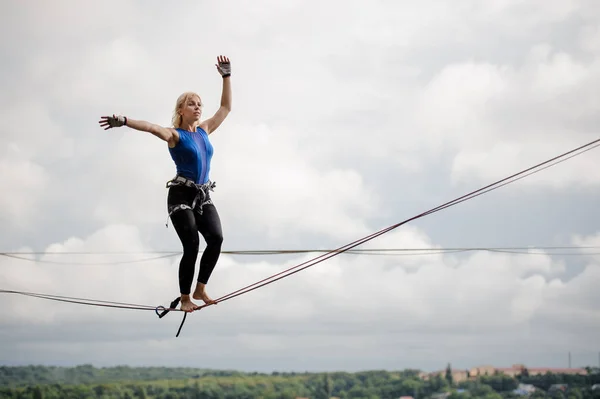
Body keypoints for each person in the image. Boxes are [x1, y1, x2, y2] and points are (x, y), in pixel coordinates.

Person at [98, 55, 232, 312]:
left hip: (202, 196)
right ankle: (184, 299)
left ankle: (200, 287)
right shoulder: (174, 135)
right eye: (191, 104)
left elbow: (225, 109)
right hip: (181, 195)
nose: (197, 108)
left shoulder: (205, 130)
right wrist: (124, 121)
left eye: (199, 104)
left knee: (216, 238)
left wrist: (226, 76)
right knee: (192, 243)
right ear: (181, 110)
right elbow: (150, 127)